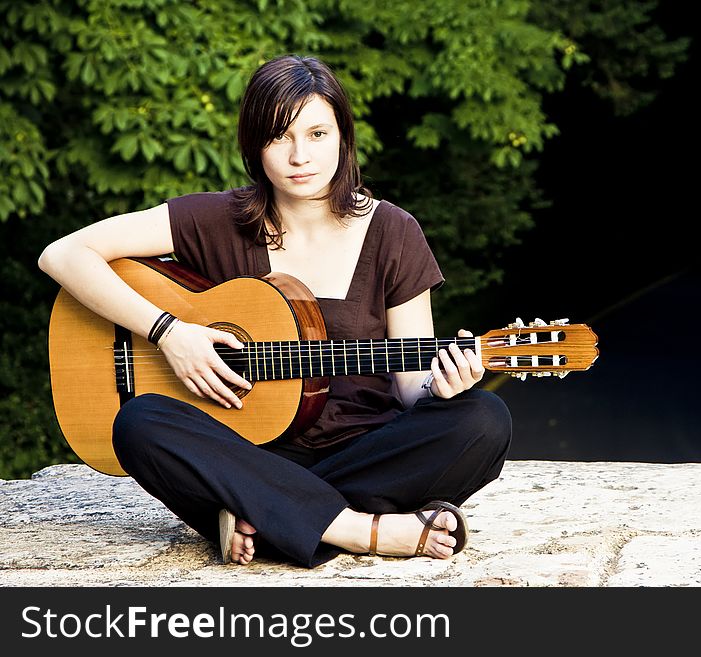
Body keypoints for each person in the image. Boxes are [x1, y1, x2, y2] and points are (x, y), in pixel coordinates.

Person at [38, 54, 512, 568]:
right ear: (253, 144)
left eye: (316, 134)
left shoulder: (393, 232)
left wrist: (442, 386)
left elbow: (408, 386)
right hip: (246, 450)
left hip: (364, 447)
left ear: (342, 138)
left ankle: (264, 516)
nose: (299, 156)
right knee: (138, 422)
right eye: (279, 136)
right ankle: (357, 527)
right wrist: (168, 331)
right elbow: (62, 254)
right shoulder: (216, 219)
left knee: (483, 419)